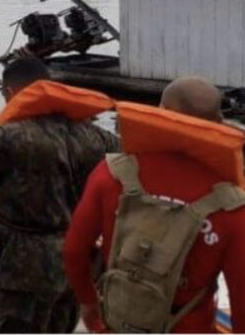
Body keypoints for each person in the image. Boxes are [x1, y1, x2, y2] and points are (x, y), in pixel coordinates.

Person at [0, 57, 119, 333]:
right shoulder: (96, 137)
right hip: (75, 260)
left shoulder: (10, 137)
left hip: (21, 266)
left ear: (11, 94)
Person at [64, 76, 245, 333]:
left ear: (160, 112)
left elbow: (74, 250)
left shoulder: (112, 174)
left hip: (119, 322)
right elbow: (241, 295)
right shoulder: (231, 205)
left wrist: (88, 301)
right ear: (219, 124)